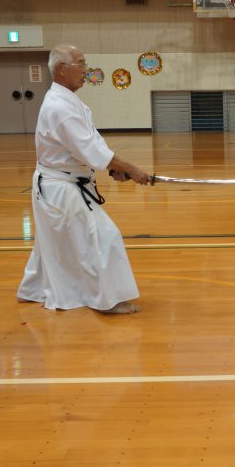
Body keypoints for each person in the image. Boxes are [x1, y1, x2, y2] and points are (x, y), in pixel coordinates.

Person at [17, 44, 152, 314]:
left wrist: (112, 167)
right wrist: (132, 168)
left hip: (62, 183)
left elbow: (90, 143)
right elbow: (90, 149)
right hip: (60, 187)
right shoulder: (60, 106)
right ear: (61, 69)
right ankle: (106, 299)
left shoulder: (67, 100)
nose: (86, 71)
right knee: (103, 237)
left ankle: (33, 288)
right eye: (80, 64)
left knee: (53, 241)